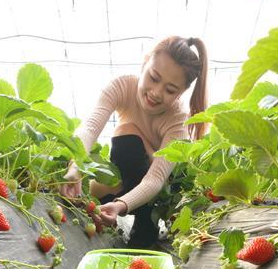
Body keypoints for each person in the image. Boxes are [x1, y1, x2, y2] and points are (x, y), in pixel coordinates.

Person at [61, 36, 209, 247]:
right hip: (123, 176)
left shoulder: (178, 121)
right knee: (124, 135)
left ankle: (146, 226)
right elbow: (90, 127)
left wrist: (122, 205)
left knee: (127, 131)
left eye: (170, 90)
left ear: (182, 92)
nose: (156, 93)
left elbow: (156, 178)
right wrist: (75, 168)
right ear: (144, 63)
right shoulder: (122, 86)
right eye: (154, 77)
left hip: (156, 195)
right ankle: (127, 226)